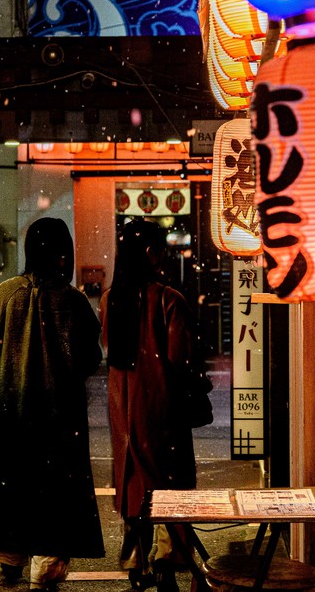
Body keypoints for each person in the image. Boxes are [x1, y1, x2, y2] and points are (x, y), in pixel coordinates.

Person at [0, 217, 105, 591]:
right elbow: (90, 359)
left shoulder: (5, 294)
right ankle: (47, 561)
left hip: (5, 411)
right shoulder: (73, 301)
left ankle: (9, 553)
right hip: (56, 414)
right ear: (63, 254)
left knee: (7, 481)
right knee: (55, 487)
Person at [103, 219, 203, 592]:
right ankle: (169, 556)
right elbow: (181, 359)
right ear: (151, 253)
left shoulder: (110, 299)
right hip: (162, 406)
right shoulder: (168, 299)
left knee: (132, 482)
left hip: (123, 409)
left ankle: (136, 559)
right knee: (170, 481)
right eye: (161, 250)